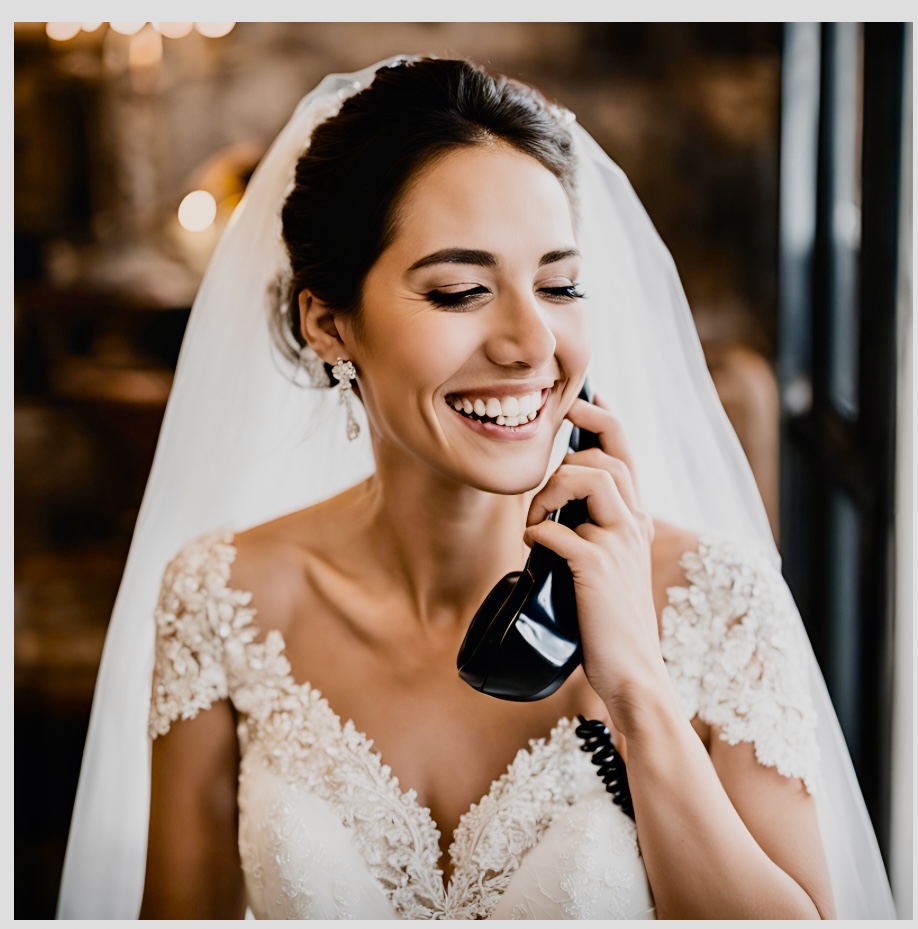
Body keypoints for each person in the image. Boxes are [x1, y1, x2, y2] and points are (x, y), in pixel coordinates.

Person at [57, 55, 896, 920]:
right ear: (328, 321)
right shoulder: (217, 596)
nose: (532, 342)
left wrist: (640, 691)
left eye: (560, 284)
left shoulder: (715, 602)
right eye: (461, 290)